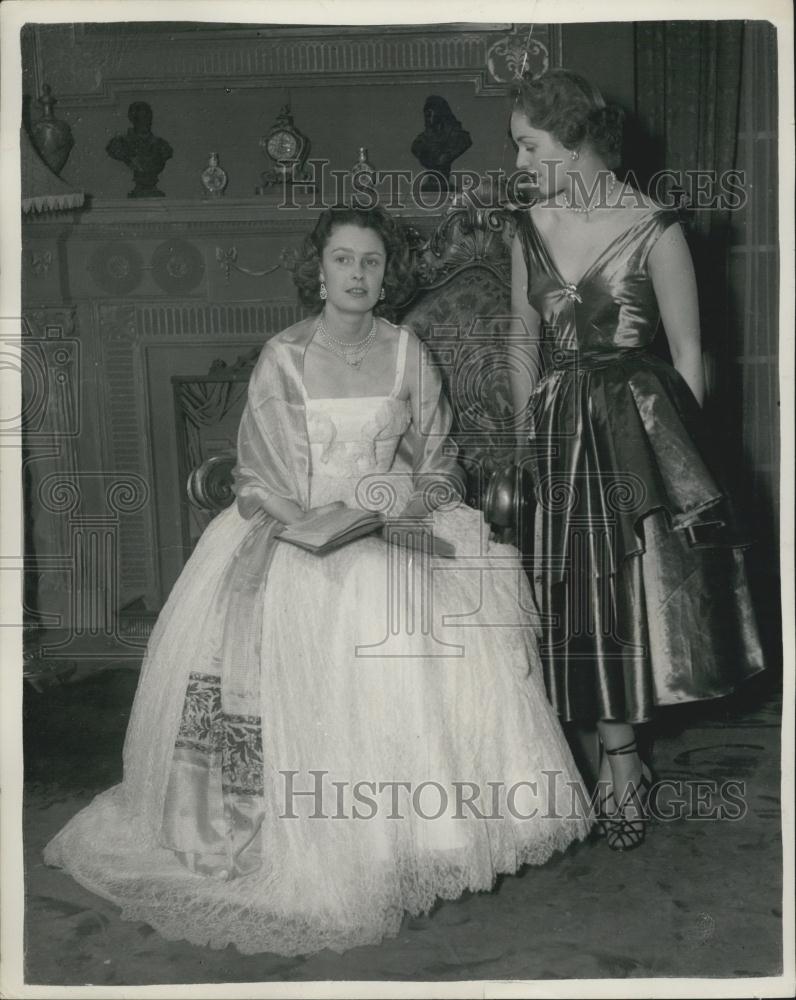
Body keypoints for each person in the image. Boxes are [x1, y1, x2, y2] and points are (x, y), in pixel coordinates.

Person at [44, 206, 591, 956]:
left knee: (427, 615)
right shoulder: (284, 356)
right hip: (295, 528)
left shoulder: (407, 353)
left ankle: (409, 839)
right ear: (320, 270)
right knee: (334, 608)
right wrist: (312, 524)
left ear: (385, 275)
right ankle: (310, 837)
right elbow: (258, 477)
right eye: (343, 260)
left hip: (392, 522)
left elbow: (440, 462)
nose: (358, 275)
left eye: (371, 262)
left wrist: (413, 504)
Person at [506, 70, 764, 852]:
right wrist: (526, 437)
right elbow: (520, 340)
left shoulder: (658, 228)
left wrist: (683, 464)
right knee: (573, 597)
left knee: (625, 595)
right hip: (557, 426)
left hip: (639, 429)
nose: (518, 162)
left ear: (578, 146)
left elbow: (689, 357)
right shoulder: (525, 226)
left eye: (530, 145)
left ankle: (622, 764)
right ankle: (602, 751)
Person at [410, 96, 472, 191]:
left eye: (431, 111)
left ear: (440, 112)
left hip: (444, 182)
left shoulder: (460, 138)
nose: (427, 115)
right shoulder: (420, 142)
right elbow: (416, 149)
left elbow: (464, 142)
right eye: (426, 112)